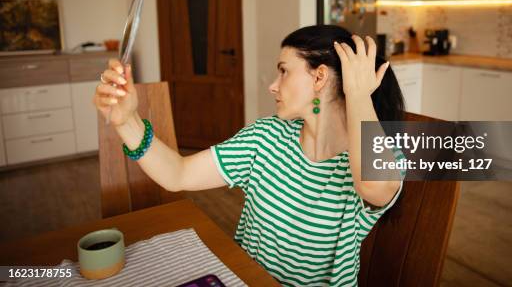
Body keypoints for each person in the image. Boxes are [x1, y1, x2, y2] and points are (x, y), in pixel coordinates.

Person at [93, 25, 405, 286]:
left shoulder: (382, 158)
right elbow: (178, 174)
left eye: (283, 71)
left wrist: (358, 94)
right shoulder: (266, 136)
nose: (272, 85)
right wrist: (126, 121)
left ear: (319, 78)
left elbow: (374, 186)